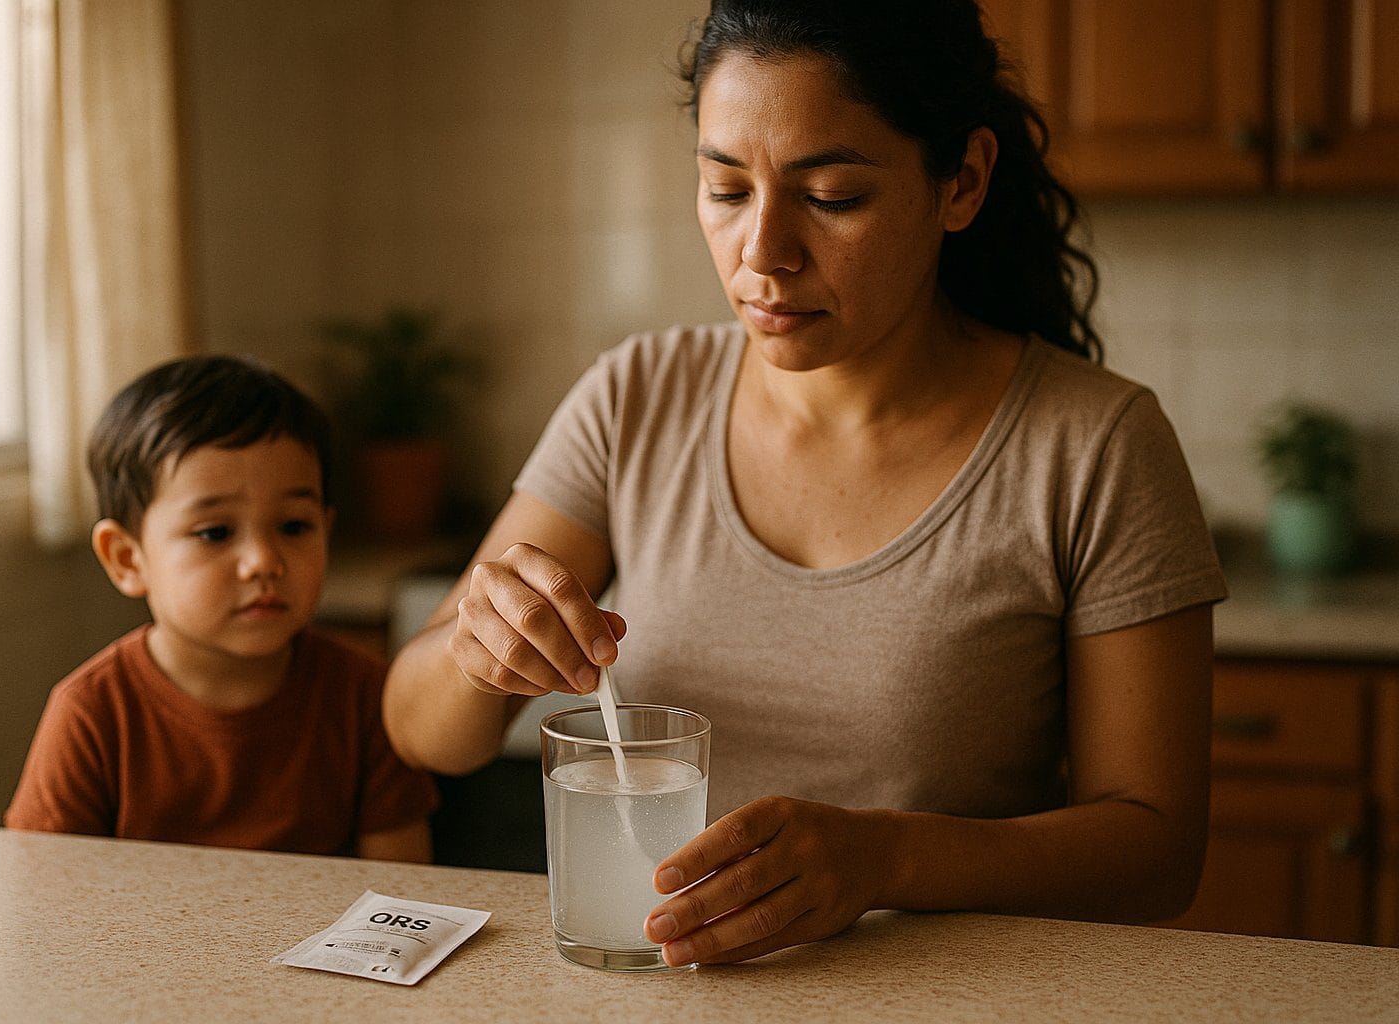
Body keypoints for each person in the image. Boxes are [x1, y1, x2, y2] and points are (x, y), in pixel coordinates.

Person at [383, 0, 1227, 965]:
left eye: (831, 197)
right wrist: (475, 652)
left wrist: (888, 857)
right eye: (727, 189)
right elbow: (421, 734)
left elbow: (1159, 853)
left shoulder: (1096, 444)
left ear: (962, 182)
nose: (762, 254)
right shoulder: (636, 398)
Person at [6, 355, 437, 861]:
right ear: (128, 559)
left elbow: (404, 897)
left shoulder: (369, 698)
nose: (263, 562)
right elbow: (39, 906)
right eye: (215, 533)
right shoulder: (93, 714)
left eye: (294, 526)